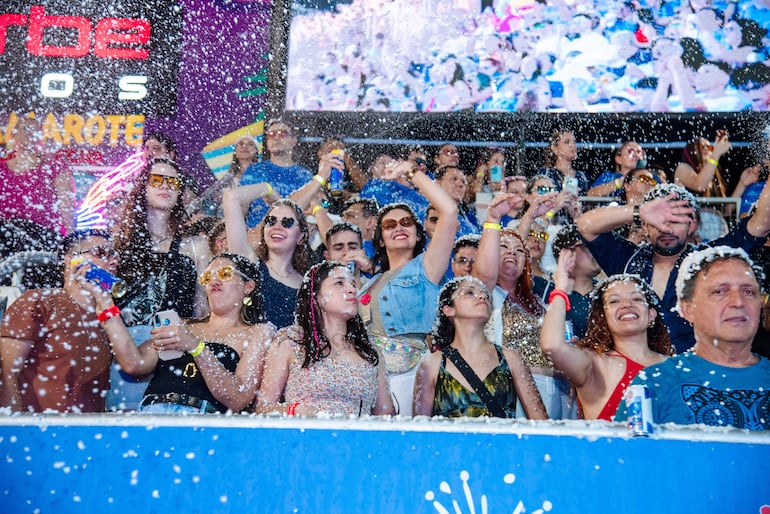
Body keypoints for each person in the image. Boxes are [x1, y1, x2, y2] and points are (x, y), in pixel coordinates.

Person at [577, 182, 770, 353]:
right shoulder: (627, 259)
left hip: (698, 377)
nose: (667, 229)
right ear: (644, 226)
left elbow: (760, 224)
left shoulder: (709, 259)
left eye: (675, 221)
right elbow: (585, 225)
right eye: (657, 221)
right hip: (641, 377)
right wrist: (639, 211)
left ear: (691, 224)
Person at [88, 253, 274, 414]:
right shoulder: (182, 324)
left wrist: (195, 346)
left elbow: (237, 398)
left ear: (248, 286)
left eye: (225, 274)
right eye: (207, 277)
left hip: (203, 422)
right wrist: (106, 307)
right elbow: (134, 364)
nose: (214, 281)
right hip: (152, 412)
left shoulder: (257, 332)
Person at [615, 247, 770, 430]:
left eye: (749, 292)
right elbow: (626, 457)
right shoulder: (654, 385)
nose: (738, 302)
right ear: (687, 309)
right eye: (719, 291)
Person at [109, 158, 211, 409]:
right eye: (156, 180)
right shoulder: (117, 246)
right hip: (123, 347)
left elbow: (202, 311)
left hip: (173, 351)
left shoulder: (196, 246)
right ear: (143, 187)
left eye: (173, 182)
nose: (165, 186)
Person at [358, 160, 458, 415]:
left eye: (406, 222)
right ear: (380, 239)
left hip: (411, 373)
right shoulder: (369, 283)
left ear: (417, 232)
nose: (399, 228)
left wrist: (412, 172)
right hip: (370, 376)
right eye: (390, 225)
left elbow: (448, 210)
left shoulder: (427, 267)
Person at [473, 195, 577, 419]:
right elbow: (486, 270)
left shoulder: (537, 302)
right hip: (515, 388)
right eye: (503, 247)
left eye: (520, 251)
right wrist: (495, 219)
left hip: (559, 389)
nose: (512, 252)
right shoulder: (486, 295)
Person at [256, 261, 394, 416]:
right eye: (339, 283)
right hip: (304, 436)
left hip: (355, 439)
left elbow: (386, 415)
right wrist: (294, 410)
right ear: (316, 298)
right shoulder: (291, 341)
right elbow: (263, 408)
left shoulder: (370, 351)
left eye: (353, 284)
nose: (351, 290)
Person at [0, 230, 117, 412]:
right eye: (100, 253)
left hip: (89, 432)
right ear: (71, 260)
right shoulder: (38, 300)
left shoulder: (109, 317)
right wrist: (16, 428)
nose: (112, 261)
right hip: (38, 431)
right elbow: (6, 374)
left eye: (114, 255)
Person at [540, 259, 672, 420]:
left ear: (651, 314)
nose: (626, 305)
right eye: (614, 301)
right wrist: (560, 289)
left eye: (636, 298)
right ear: (603, 317)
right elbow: (552, 346)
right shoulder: (595, 364)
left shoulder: (674, 365)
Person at [413, 277, 547, 419]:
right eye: (469, 293)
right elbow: (420, 432)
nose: (482, 296)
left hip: (501, 441)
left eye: (485, 294)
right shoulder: (431, 364)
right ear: (448, 310)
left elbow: (541, 424)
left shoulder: (511, 359)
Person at [224, 191, 311, 329]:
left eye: (287, 222)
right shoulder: (250, 265)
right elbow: (231, 197)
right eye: (271, 221)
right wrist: (267, 189)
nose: (277, 227)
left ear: (301, 236)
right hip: (249, 349)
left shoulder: (308, 284)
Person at [1, 117, 74, 238]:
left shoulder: (54, 168)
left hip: (43, 237)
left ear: (41, 137)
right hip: (6, 237)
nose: (29, 134)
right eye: (25, 129)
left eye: (35, 131)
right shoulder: (2, 170)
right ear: (15, 134)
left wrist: (72, 242)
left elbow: (67, 207)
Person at [239, 119, 313, 227]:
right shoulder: (254, 171)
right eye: (271, 134)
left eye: (282, 134)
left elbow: (311, 210)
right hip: (256, 236)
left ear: (293, 141)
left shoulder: (305, 176)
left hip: (290, 236)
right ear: (267, 143)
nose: (276, 138)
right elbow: (241, 208)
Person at [534, 224, 601, 340]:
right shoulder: (542, 289)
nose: (597, 250)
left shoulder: (607, 293)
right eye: (587, 246)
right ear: (566, 253)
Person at [538, 129, 590, 195]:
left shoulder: (583, 177)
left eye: (574, 142)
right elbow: (540, 197)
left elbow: (589, 202)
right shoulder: (546, 174)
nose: (572, 145)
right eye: (567, 142)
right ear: (554, 148)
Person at [434, 164, 480, 238]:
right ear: (437, 183)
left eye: (463, 181)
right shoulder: (430, 214)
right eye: (454, 179)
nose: (460, 184)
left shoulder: (469, 217)